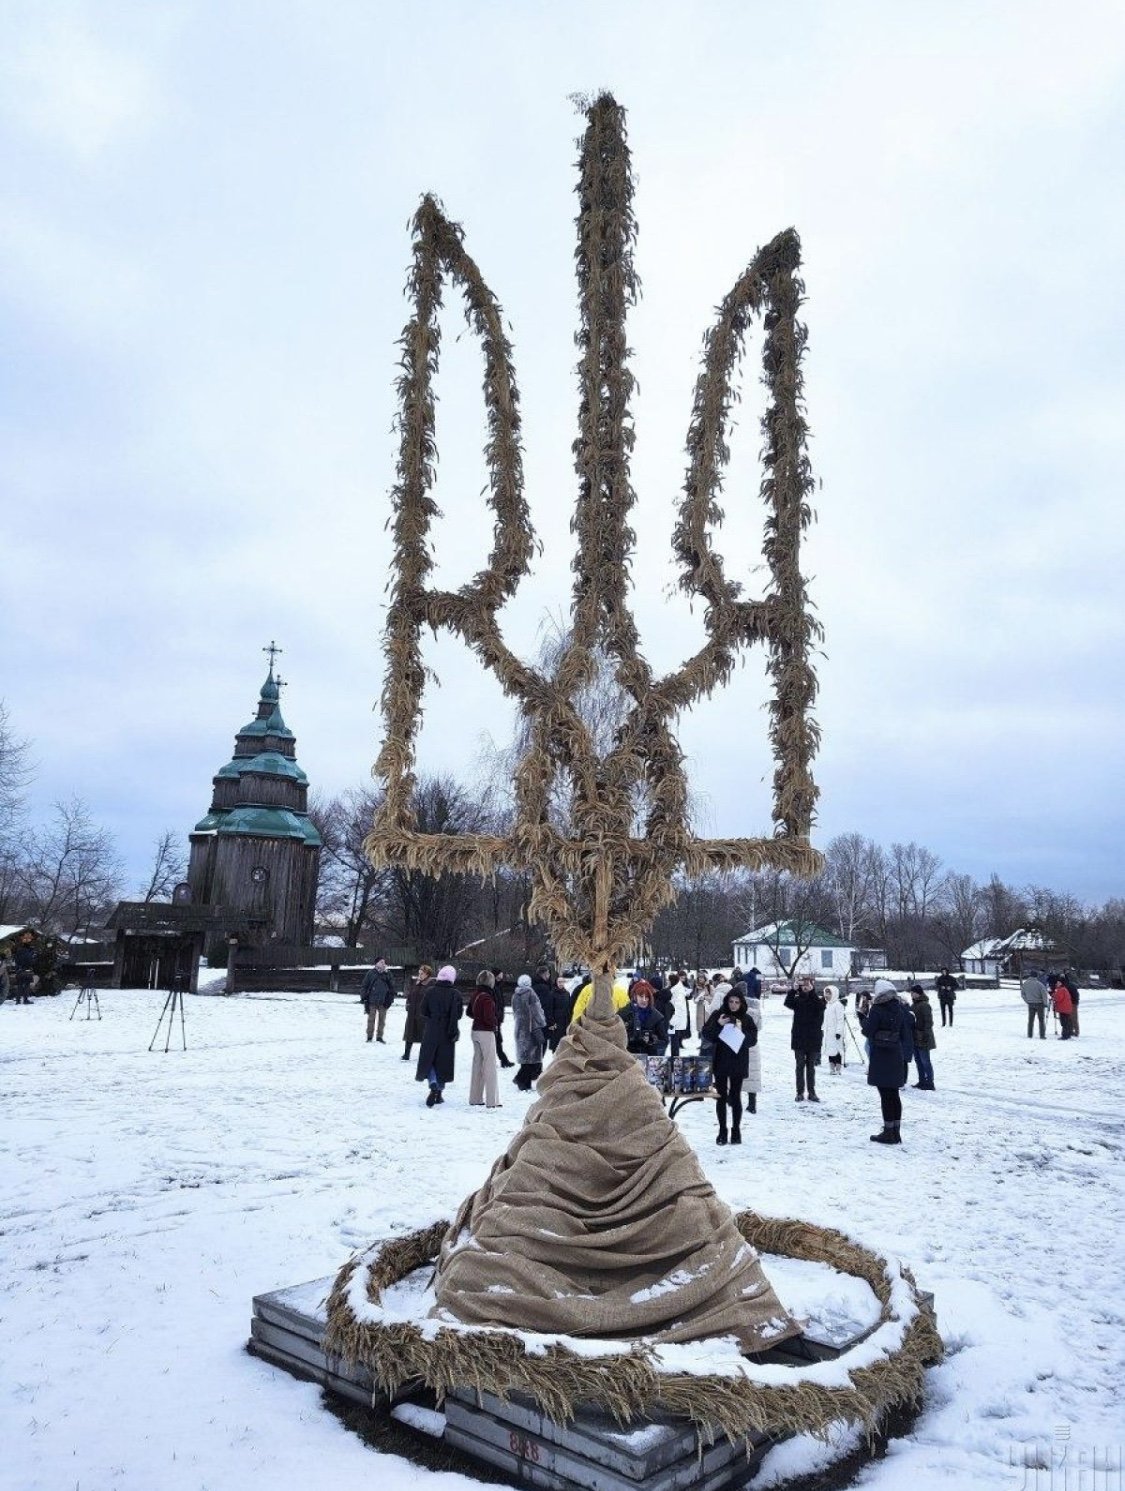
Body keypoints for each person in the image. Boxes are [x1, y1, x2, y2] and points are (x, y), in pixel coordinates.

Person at [701, 985, 758, 1145]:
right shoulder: (719, 1015)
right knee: (721, 1098)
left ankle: (736, 1130)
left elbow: (752, 1040)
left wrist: (740, 1031)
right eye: (731, 1001)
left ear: (741, 1004)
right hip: (720, 1060)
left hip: (738, 1062)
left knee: (736, 1096)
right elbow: (706, 1035)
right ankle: (722, 1130)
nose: (733, 1005)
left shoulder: (746, 1019)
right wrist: (718, 1024)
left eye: (737, 1002)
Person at [861, 979, 913, 1143]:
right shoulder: (899, 1007)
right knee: (894, 1094)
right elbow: (908, 1026)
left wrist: (862, 1017)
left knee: (885, 1095)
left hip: (882, 1054)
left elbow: (868, 1031)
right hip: (895, 1053)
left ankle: (888, 1131)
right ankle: (896, 1131)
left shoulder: (877, 1009)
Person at [416, 965, 463, 1106]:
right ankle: (440, 1092)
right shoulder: (456, 994)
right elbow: (459, 1014)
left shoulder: (430, 991)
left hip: (431, 1029)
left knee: (429, 1058)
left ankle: (433, 1082)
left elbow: (423, 1010)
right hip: (448, 1030)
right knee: (443, 1061)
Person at [784, 976, 825, 1102]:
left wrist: (812, 992)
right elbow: (787, 1003)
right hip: (799, 1038)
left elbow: (820, 1007)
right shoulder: (797, 1000)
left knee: (811, 1067)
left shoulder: (817, 1000)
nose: (805, 987)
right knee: (800, 1066)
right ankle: (799, 1092)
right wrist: (793, 990)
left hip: (813, 1038)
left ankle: (812, 1092)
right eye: (804, 985)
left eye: (808, 985)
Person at [467, 970, 502, 1108]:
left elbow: (469, 1012)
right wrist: (494, 1023)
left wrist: (478, 1017)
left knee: (477, 1065)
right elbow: (489, 1017)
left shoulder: (475, 994)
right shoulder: (487, 997)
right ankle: (492, 1100)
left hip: (475, 1031)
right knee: (489, 1065)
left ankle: (475, 1097)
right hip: (486, 1033)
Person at [511, 973, 547, 1091]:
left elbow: (515, 1012)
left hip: (520, 1028)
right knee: (532, 1058)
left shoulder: (515, 995)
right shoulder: (531, 994)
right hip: (531, 1029)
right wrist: (542, 1022)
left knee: (525, 1058)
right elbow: (537, 1010)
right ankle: (521, 1080)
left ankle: (524, 1083)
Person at [620, 980, 668, 1055]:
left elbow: (664, 1041)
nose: (644, 1000)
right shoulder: (623, 1014)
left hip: (649, 1057)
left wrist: (653, 1040)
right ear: (635, 996)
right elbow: (614, 1038)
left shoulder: (656, 1017)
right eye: (641, 996)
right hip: (627, 1058)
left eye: (647, 997)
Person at [360, 958, 396, 1043]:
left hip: (384, 1001)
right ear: (376, 963)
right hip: (371, 1000)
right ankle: (369, 1037)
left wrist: (391, 999)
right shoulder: (370, 973)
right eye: (381, 962)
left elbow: (392, 986)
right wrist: (363, 997)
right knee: (371, 1019)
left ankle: (379, 1037)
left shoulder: (388, 973)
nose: (384, 964)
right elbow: (364, 985)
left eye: (384, 962)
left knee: (382, 1020)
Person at [403, 964, 433, 1061]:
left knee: (424, 1035)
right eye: (419, 973)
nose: (420, 975)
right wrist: (408, 1004)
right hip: (412, 1013)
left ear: (427, 974)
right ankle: (406, 1054)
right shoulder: (416, 983)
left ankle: (424, 1055)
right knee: (409, 1033)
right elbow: (410, 995)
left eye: (422, 973)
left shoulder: (430, 985)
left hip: (423, 1014)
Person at [908, 984, 936, 1089]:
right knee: (918, 1060)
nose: (911, 994)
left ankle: (930, 1082)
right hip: (915, 1037)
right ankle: (922, 1081)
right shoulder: (914, 1004)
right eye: (911, 993)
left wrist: (925, 1034)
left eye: (913, 993)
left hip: (923, 1037)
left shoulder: (924, 1005)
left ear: (918, 993)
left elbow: (929, 1022)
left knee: (925, 1061)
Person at [491, 969, 516, 1067]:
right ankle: (503, 1060)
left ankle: (503, 1060)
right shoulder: (493, 987)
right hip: (494, 1018)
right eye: (500, 974)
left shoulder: (498, 986)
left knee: (497, 1040)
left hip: (498, 1018)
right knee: (496, 1040)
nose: (502, 975)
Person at [666, 971, 692, 1057]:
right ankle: (675, 1059)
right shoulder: (676, 990)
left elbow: (679, 1009)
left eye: (668, 980)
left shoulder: (677, 992)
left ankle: (675, 1061)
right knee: (674, 1042)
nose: (667, 982)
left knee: (674, 1042)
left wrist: (672, 1022)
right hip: (675, 1019)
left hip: (676, 1021)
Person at [822, 986, 846, 1074]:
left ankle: (838, 1069)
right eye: (826, 993)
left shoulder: (838, 1005)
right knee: (830, 1050)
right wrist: (823, 1027)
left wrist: (838, 1032)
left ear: (834, 994)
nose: (827, 995)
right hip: (828, 1032)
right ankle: (832, 1069)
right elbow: (826, 1019)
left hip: (836, 1032)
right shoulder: (828, 1005)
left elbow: (840, 1020)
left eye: (829, 993)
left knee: (837, 1050)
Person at [1021, 973, 1050, 1040]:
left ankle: (1030, 1034)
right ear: (1036, 976)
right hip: (1039, 1003)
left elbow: (1023, 994)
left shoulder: (1025, 984)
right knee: (1041, 1020)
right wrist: (1045, 1003)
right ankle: (1042, 1035)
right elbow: (1044, 994)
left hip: (1030, 1003)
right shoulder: (1039, 984)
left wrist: (1027, 1001)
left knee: (1030, 1020)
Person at [1063, 971, 1081, 1038]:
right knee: (1072, 1018)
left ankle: (1076, 1031)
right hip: (1074, 1002)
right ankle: (1073, 1030)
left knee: (1072, 1018)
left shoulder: (1067, 986)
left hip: (1072, 1003)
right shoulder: (1072, 985)